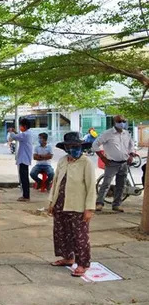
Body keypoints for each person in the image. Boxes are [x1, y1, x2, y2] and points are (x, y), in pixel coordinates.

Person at [48, 132, 96, 278]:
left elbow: (91, 186)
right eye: (70, 147)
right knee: (62, 233)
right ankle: (68, 258)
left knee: (79, 235)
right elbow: (55, 182)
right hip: (61, 203)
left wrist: (89, 208)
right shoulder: (63, 161)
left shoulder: (86, 162)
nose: (73, 149)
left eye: (75, 146)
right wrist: (51, 201)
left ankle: (83, 263)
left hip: (78, 205)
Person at [92, 115, 135, 212]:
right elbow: (95, 145)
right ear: (114, 122)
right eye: (119, 121)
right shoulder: (107, 134)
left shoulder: (127, 133)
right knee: (106, 183)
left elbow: (131, 145)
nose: (122, 123)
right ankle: (99, 203)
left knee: (121, 185)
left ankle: (116, 205)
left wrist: (131, 155)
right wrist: (102, 158)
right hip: (111, 163)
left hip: (124, 163)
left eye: (124, 121)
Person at [9, 118, 33, 202]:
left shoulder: (25, 134)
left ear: (25, 126)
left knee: (24, 178)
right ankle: (25, 195)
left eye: (21, 125)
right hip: (24, 158)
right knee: (23, 177)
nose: (20, 127)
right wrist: (15, 132)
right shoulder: (27, 133)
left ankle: (26, 196)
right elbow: (18, 135)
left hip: (24, 158)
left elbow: (15, 137)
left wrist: (11, 131)